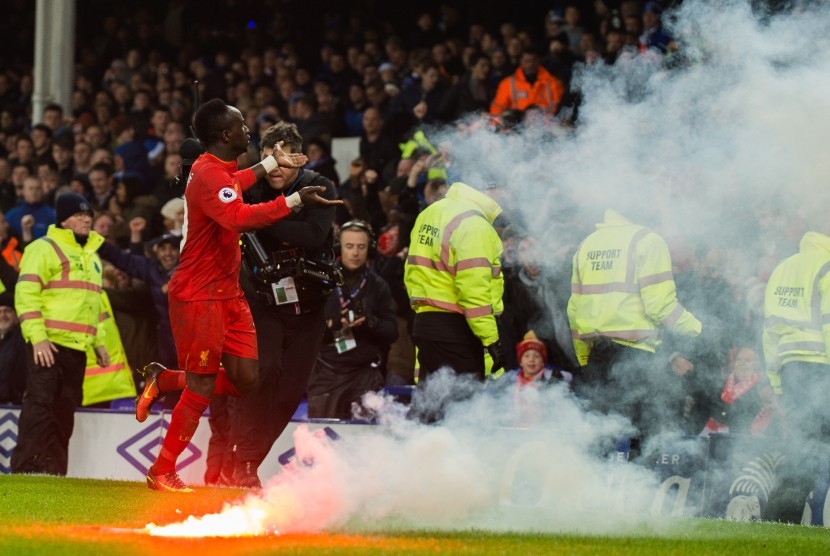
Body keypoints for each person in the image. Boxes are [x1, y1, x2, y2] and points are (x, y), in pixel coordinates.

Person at [134, 99, 340, 492]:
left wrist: (268, 165)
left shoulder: (218, 169)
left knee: (248, 378)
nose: (248, 128)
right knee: (203, 386)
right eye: (242, 124)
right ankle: (162, 469)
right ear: (226, 135)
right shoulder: (210, 174)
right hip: (200, 295)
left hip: (228, 293)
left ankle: (163, 380)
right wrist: (294, 200)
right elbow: (238, 217)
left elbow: (235, 186)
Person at [220, 121, 340, 488]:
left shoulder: (319, 186)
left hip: (310, 305)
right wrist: (270, 215)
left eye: (287, 161)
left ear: (299, 161)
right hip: (263, 302)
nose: (279, 168)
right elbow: (232, 219)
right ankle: (240, 462)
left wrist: (261, 220)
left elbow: (314, 234)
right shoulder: (250, 185)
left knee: (289, 393)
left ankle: (245, 462)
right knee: (262, 375)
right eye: (272, 159)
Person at [567, 209, 702, 450]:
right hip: (636, 358)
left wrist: (584, 356)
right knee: (638, 442)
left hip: (597, 355)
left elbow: (574, 309)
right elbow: (659, 305)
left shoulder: (587, 244)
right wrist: (698, 330)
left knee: (601, 438)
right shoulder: (647, 240)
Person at [10, 192, 110, 475]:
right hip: (48, 343)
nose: (86, 219)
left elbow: (95, 303)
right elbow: (26, 293)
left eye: (88, 214)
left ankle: (54, 473)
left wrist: (99, 343)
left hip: (77, 347)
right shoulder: (44, 248)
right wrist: (38, 337)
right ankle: (26, 469)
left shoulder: (91, 255)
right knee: (39, 407)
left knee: (64, 412)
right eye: (79, 215)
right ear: (64, 220)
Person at [403, 181, 505, 419]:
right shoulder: (475, 225)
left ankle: (414, 455)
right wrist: (491, 338)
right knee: (461, 417)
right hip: (457, 330)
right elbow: (473, 291)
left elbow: (412, 271)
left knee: (429, 412)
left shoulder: (431, 212)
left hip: (426, 321)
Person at [762, 227, 830, 522]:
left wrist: (776, 385)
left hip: (791, 369)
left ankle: (779, 520)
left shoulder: (783, 268)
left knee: (801, 449)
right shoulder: (826, 266)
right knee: (809, 449)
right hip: (821, 367)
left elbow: (769, 332)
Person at [307, 220, 399, 420]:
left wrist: (369, 323)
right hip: (326, 374)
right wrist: (331, 326)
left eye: (361, 247)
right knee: (322, 441)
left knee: (366, 444)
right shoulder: (320, 281)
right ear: (339, 247)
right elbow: (303, 329)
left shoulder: (379, 285)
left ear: (370, 249)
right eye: (349, 246)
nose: (355, 253)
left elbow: (392, 332)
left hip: (365, 375)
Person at [498, 330, 573, 427]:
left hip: (545, 429)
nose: (531, 359)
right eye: (527, 356)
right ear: (520, 361)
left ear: (543, 362)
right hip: (516, 429)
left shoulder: (553, 377)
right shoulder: (510, 380)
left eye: (536, 356)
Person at [489, 47, 565, 116]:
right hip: (518, 128)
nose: (530, 64)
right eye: (527, 61)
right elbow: (497, 109)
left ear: (538, 61)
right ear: (521, 62)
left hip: (546, 127)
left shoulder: (553, 83)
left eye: (534, 61)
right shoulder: (507, 84)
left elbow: (561, 108)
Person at [0, 290, 27, 403]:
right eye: (0, 311)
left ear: (16, 314)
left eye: (7, 311)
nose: (2, 315)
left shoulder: (23, 337)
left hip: (14, 403)